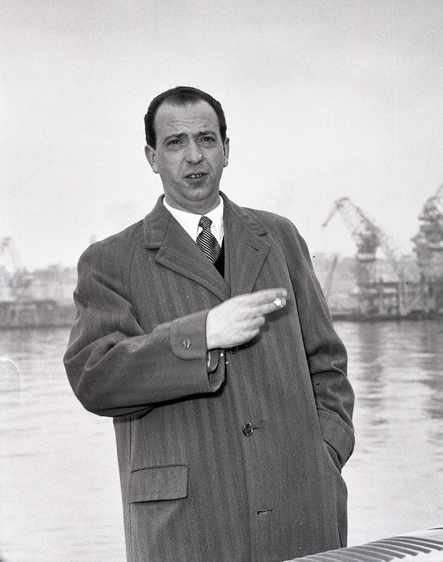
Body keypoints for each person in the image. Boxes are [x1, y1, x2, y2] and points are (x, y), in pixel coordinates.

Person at [64, 86, 355, 562]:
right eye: (175, 143)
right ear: (152, 158)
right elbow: (94, 378)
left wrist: (327, 454)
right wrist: (201, 336)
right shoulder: (109, 261)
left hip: (301, 509)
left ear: (226, 149)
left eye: (206, 139)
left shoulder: (280, 237)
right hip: (186, 527)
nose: (194, 156)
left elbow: (327, 365)